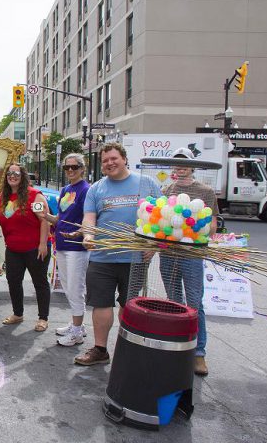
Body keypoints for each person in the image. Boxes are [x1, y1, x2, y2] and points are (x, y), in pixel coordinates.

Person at [74, 142, 161, 366]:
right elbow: (89, 218)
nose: (110, 163)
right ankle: (100, 349)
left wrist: (153, 246)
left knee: (130, 306)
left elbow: (160, 218)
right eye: (105, 161)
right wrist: (89, 236)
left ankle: (129, 348)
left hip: (134, 258)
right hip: (102, 258)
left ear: (124, 158)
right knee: (101, 304)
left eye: (114, 158)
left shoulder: (147, 183)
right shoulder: (97, 189)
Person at [159, 147, 218, 376]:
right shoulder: (167, 190)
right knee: (173, 301)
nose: (180, 166)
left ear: (192, 166)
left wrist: (201, 231)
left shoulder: (205, 191)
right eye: (177, 163)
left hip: (192, 256)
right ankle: (177, 347)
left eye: (184, 163)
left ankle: (199, 353)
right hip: (169, 255)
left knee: (194, 303)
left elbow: (212, 224)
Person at [0, 163, 51, 332]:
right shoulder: (3, 198)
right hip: (13, 249)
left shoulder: (35, 196)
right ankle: (18, 314)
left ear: (23, 176)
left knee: (40, 283)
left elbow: (44, 219)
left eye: (16, 173)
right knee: (13, 282)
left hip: (35, 249)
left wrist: (43, 244)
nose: (12, 176)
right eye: (9, 174)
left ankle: (43, 318)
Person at [38, 153, 91, 346]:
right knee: (68, 287)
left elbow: (89, 219)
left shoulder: (87, 190)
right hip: (61, 244)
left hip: (76, 248)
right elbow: (60, 218)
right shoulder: (66, 189)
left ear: (82, 169)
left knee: (76, 289)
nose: (70, 170)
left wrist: (78, 233)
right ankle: (77, 325)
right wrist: (45, 216)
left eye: (74, 167)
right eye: (66, 167)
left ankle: (77, 331)